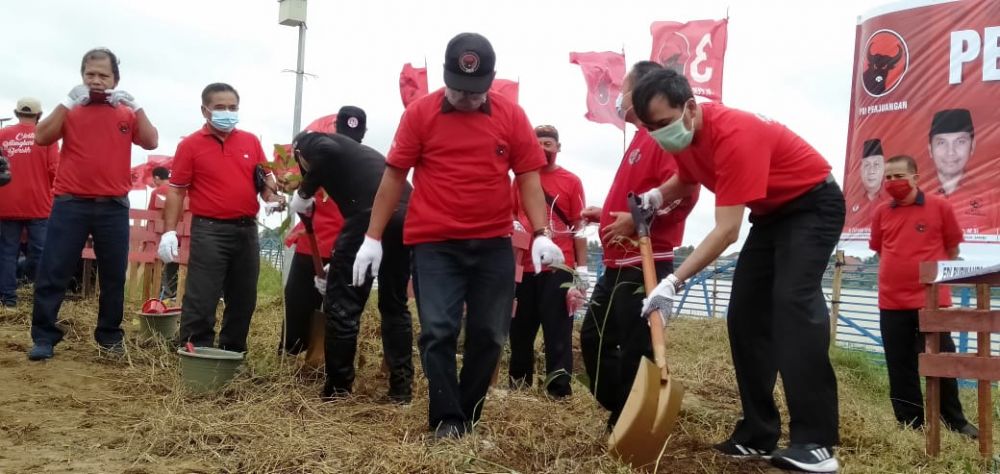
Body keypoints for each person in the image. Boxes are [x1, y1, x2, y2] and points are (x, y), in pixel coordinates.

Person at [355, 32, 564, 440]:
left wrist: (541, 232)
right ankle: (446, 419)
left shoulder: (511, 117)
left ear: (490, 80)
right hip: (435, 243)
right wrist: (373, 237)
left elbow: (528, 176)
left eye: (475, 91)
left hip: (492, 244)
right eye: (457, 89)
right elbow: (394, 175)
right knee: (438, 330)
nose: (465, 98)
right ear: (446, 75)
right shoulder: (419, 114)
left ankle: (467, 416)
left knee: (489, 334)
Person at [633, 68, 844, 472]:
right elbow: (688, 177)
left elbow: (727, 231)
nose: (659, 134)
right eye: (650, 127)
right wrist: (656, 196)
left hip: (813, 204)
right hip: (771, 214)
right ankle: (758, 433)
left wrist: (672, 283)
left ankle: (816, 442)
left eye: (663, 123)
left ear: (690, 108)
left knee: (792, 304)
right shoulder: (682, 136)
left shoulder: (735, 134)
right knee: (745, 315)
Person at [578, 61, 697, 430]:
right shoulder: (638, 139)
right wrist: (608, 214)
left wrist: (639, 220)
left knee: (634, 346)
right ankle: (626, 406)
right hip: (617, 261)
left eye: (623, 89)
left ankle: (629, 420)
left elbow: (683, 191)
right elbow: (636, 197)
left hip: (644, 259)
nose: (619, 97)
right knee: (593, 338)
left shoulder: (660, 136)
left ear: (643, 92)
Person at [28, 48, 159, 360]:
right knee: (54, 271)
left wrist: (136, 105)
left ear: (116, 79)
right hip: (70, 202)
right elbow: (41, 137)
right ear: (82, 77)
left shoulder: (125, 113)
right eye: (90, 74)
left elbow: (152, 140)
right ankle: (44, 337)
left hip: (113, 206)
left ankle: (110, 336)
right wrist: (66, 101)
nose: (97, 81)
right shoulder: (71, 110)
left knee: (113, 275)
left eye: (104, 75)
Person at [288, 105, 415, 403]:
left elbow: (326, 152)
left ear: (298, 154)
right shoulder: (362, 156)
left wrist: (304, 191)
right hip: (406, 217)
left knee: (343, 307)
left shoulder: (309, 140)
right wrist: (337, 271)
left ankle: (338, 390)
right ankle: (401, 391)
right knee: (395, 305)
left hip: (371, 215)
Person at [159, 82, 283, 353]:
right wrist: (169, 231)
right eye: (220, 107)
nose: (227, 112)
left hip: (246, 229)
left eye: (233, 107)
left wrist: (272, 198)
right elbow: (177, 191)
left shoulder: (250, 141)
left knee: (243, 297)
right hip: (210, 230)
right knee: (202, 295)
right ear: (205, 110)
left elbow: (265, 177)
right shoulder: (190, 145)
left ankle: (232, 351)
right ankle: (194, 350)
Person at [869, 154, 978, 439]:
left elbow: (952, 251)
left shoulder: (940, 207)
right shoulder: (881, 212)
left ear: (916, 177)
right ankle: (910, 424)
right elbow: (881, 250)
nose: (893, 182)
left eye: (899, 176)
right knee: (900, 365)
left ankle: (954, 422)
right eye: (888, 177)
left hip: (932, 302)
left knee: (941, 362)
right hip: (891, 303)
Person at [508, 124, 588, 399]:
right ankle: (519, 387)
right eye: (538, 143)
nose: (543, 148)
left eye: (548, 144)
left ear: (558, 147)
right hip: (525, 268)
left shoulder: (571, 181)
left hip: (559, 268)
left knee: (558, 332)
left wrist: (583, 268)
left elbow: (579, 225)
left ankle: (558, 391)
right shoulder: (518, 181)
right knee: (519, 331)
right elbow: (510, 216)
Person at [0, 98, 59, 307]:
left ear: (16, 113)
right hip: (38, 204)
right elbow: (55, 170)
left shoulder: (3, 135)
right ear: (39, 115)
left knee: (7, 252)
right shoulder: (47, 137)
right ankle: (39, 295)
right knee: (42, 251)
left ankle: (8, 299)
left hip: (7, 203)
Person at [925, 109, 999, 234]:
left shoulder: (992, 198)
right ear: (930, 150)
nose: (950, 152)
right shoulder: (913, 198)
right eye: (941, 142)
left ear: (972, 146)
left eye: (960, 142)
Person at [147, 166, 178, 301]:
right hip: (179, 237)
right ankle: (173, 295)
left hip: (160, 235)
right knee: (174, 266)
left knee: (157, 267)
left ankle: (161, 296)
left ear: (157, 178)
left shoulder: (157, 192)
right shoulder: (181, 192)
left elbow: (151, 216)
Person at [847, 138, 887, 226]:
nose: (871, 170)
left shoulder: (893, 200)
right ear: (860, 170)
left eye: (876, 164)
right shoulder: (849, 203)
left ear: (884, 168)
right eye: (867, 165)